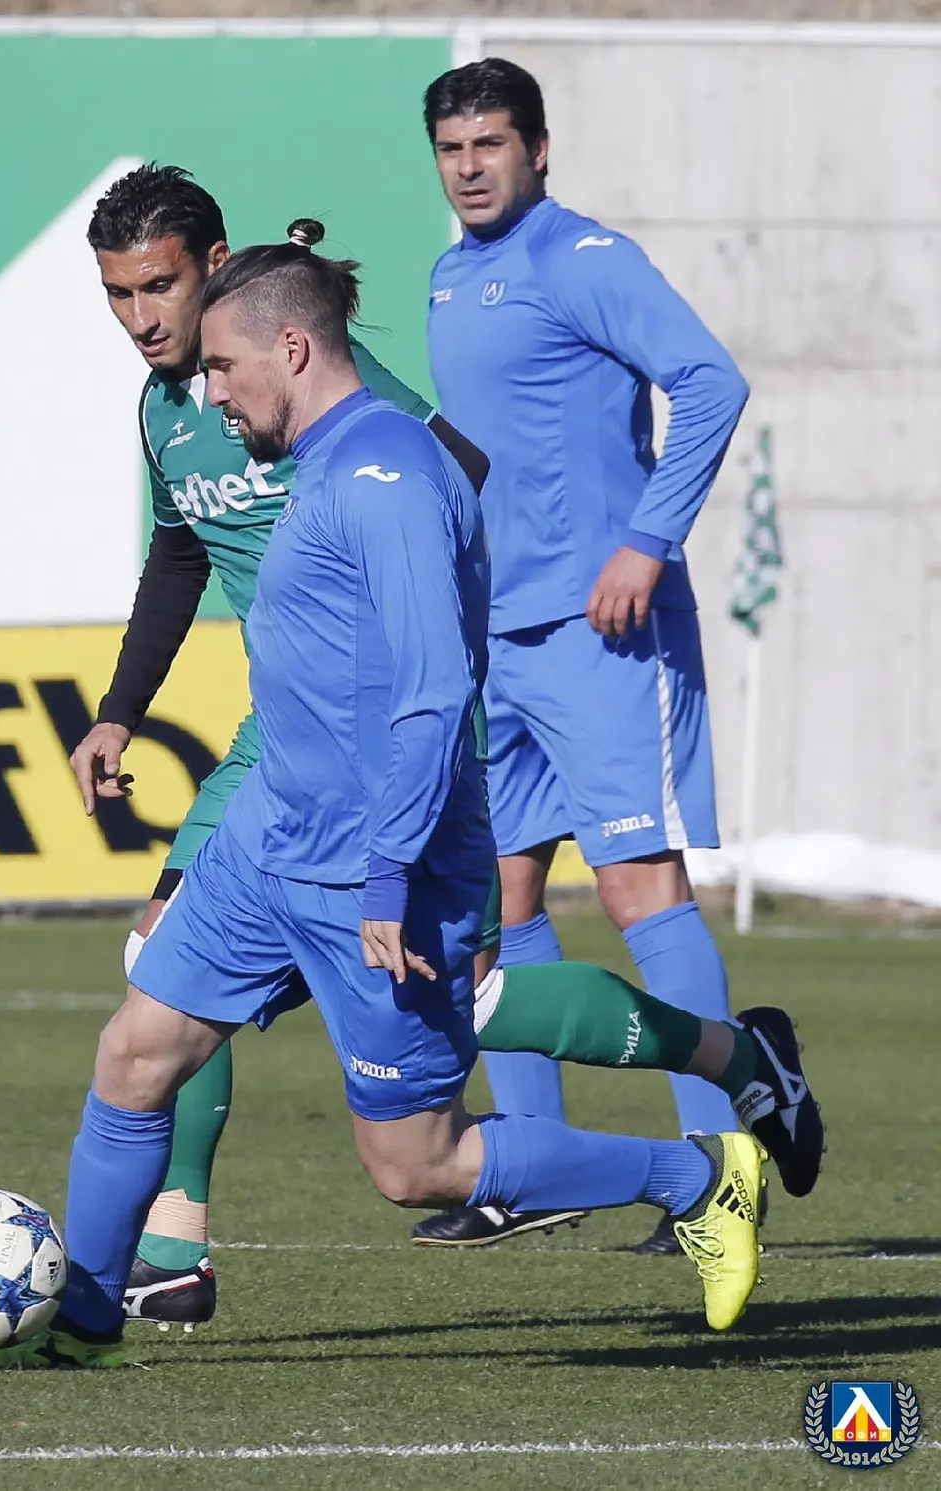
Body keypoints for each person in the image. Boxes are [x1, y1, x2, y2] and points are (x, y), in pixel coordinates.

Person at [0, 233, 767, 1371]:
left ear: (291, 348)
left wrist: (388, 876)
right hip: (268, 840)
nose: (211, 396)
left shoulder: (389, 479)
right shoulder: (316, 461)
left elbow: (432, 696)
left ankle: (698, 1177)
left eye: (224, 370)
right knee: (133, 1054)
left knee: (415, 1165)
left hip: (375, 870)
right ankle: (85, 1320)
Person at [417, 59, 814, 1255]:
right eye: (452, 149)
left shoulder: (585, 259)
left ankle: (723, 1162)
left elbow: (711, 381)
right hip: (498, 640)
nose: (471, 167)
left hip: (607, 632)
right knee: (498, 907)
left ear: (539, 149)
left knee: (640, 889)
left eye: (491, 143)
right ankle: (541, 1169)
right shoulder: (449, 277)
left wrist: (647, 542)